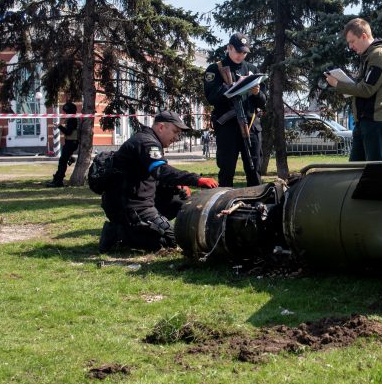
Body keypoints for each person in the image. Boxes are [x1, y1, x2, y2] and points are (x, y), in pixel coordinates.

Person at [98, 111, 218, 252]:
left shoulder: (149, 139)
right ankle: (118, 233)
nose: (176, 138)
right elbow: (161, 170)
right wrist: (196, 179)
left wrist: (176, 184)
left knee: (180, 200)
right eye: (175, 132)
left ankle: (137, 229)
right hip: (131, 207)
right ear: (161, 127)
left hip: (139, 200)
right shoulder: (147, 143)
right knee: (172, 240)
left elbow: (152, 177)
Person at [325, 18, 382, 162]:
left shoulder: (379, 55)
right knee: (355, 169)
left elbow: (367, 90)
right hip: (366, 121)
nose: (350, 46)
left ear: (364, 36)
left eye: (352, 41)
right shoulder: (370, 56)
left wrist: (338, 84)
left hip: (376, 121)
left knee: (373, 171)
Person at [204, 33, 266, 187]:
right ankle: (224, 206)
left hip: (251, 125)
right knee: (227, 171)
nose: (241, 55)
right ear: (229, 48)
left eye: (244, 52)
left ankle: (257, 203)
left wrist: (256, 92)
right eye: (238, 51)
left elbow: (264, 101)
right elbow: (211, 97)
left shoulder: (251, 69)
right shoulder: (215, 69)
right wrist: (233, 86)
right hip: (228, 127)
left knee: (254, 170)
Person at [48, 102, 79, 187]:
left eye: (66, 112)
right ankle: (58, 179)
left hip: (71, 143)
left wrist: (59, 126)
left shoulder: (72, 119)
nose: (65, 114)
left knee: (62, 162)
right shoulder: (73, 118)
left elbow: (68, 132)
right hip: (71, 142)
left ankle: (59, 181)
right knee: (63, 161)